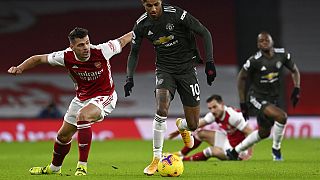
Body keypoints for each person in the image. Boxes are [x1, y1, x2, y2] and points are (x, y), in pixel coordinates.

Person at [8, 27, 132, 176]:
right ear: (72, 47)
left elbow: (123, 40)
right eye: (81, 45)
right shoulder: (65, 56)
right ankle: (54, 168)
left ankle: (82, 166)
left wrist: (141, 28)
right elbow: (38, 58)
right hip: (81, 99)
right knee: (63, 136)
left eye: (87, 43)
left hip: (105, 96)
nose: (86, 47)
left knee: (83, 116)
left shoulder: (102, 50)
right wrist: (20, 68)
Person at [123, 0, 216, 175]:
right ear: (143, 4)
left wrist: (210, 62)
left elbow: (204, 32)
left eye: (156, 4)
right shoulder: (141, 25)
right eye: (148, 5)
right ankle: (156, 159)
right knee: (161, 108)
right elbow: (134, 52)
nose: (153, 9)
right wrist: (129, 78)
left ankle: (182, 126)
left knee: (194, 125)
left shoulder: (176, 14)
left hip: (187, 70)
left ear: (161, 2)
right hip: (164, 70)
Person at [226, 32, 301, 161]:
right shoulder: (254, 60)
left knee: (264, 133)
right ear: (258, 44)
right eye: (261, 41)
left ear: (272, 41)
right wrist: (243, 102)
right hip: (256, 97)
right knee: (281, 116)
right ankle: (276, 150)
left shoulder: (282, 55)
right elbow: (241, 78)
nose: (264, 42)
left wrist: (297, 88)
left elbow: (294, 70)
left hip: (273, 98)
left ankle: (235, 151)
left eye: (266, 40)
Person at [168, 94, 253, 161]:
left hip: (238, 150)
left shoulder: (233, 116)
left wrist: (248, 153)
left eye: (215, 107)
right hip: (228, 141)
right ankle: (181, 153)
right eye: (210, 108)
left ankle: (182, 159)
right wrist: (179, 130)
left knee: (211, 151)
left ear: (222, 104)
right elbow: (197, 124)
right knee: (201, 133)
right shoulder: (215, 114)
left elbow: (250, 132)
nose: (212, 110)